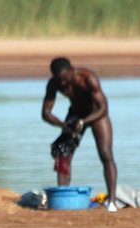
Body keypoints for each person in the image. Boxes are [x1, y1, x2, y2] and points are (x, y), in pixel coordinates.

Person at [42, 57, 119, 211]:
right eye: (59, 80)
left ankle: (111, 202)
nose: (63, 84)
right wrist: (63, 125)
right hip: (76, 114)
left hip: (96, 114)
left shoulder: (87, 78)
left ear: (72, 70)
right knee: (63, 154)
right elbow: (46, 113)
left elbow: (103, 107)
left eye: (65, 79)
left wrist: (84, 122)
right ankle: (62, 198)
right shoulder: (53, 83)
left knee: (106, 154)